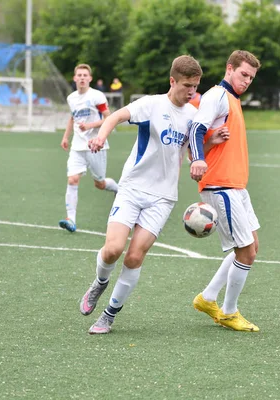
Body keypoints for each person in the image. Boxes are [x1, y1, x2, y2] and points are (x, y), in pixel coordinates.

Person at [79, 55, 228, 334]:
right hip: (132, 188)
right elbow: (115, 116)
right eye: (186, 85)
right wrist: (101, 136)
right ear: (172, 81)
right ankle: (99, 282)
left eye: (195, 86)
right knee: (112, 250)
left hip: (163, 197)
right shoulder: (152, 104)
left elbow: (187, 148)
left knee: (134, 257)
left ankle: (109, 316)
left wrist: (209, 143)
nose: (192, 91)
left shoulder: (194, 116)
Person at [189, 50, 262, 332]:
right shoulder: (217, 95)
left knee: (251, 246)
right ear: (229, 68)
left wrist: (211, 143)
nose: (247, 81)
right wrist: (197, 158)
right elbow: (196, 129)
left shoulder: (232, 100)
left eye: (251, 78)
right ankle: (229, 312)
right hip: (220, 185)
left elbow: (211, 136)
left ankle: (207, 298)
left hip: (236, 186)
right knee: (245, 252)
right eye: (243, 74)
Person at [59, 64, 119, 233]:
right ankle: (70, 219)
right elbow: (72, 118)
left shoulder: (97, 96)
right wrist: (65, 137)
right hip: (77, 146)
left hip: (95, 145)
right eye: (79, 75)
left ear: (90, 78)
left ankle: (117, 189)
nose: (82, 78)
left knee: (99, 183)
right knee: (72, 179)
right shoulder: (71, 98)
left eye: (85, 75)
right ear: (75, 78)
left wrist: (90, 125)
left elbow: (109, 118)